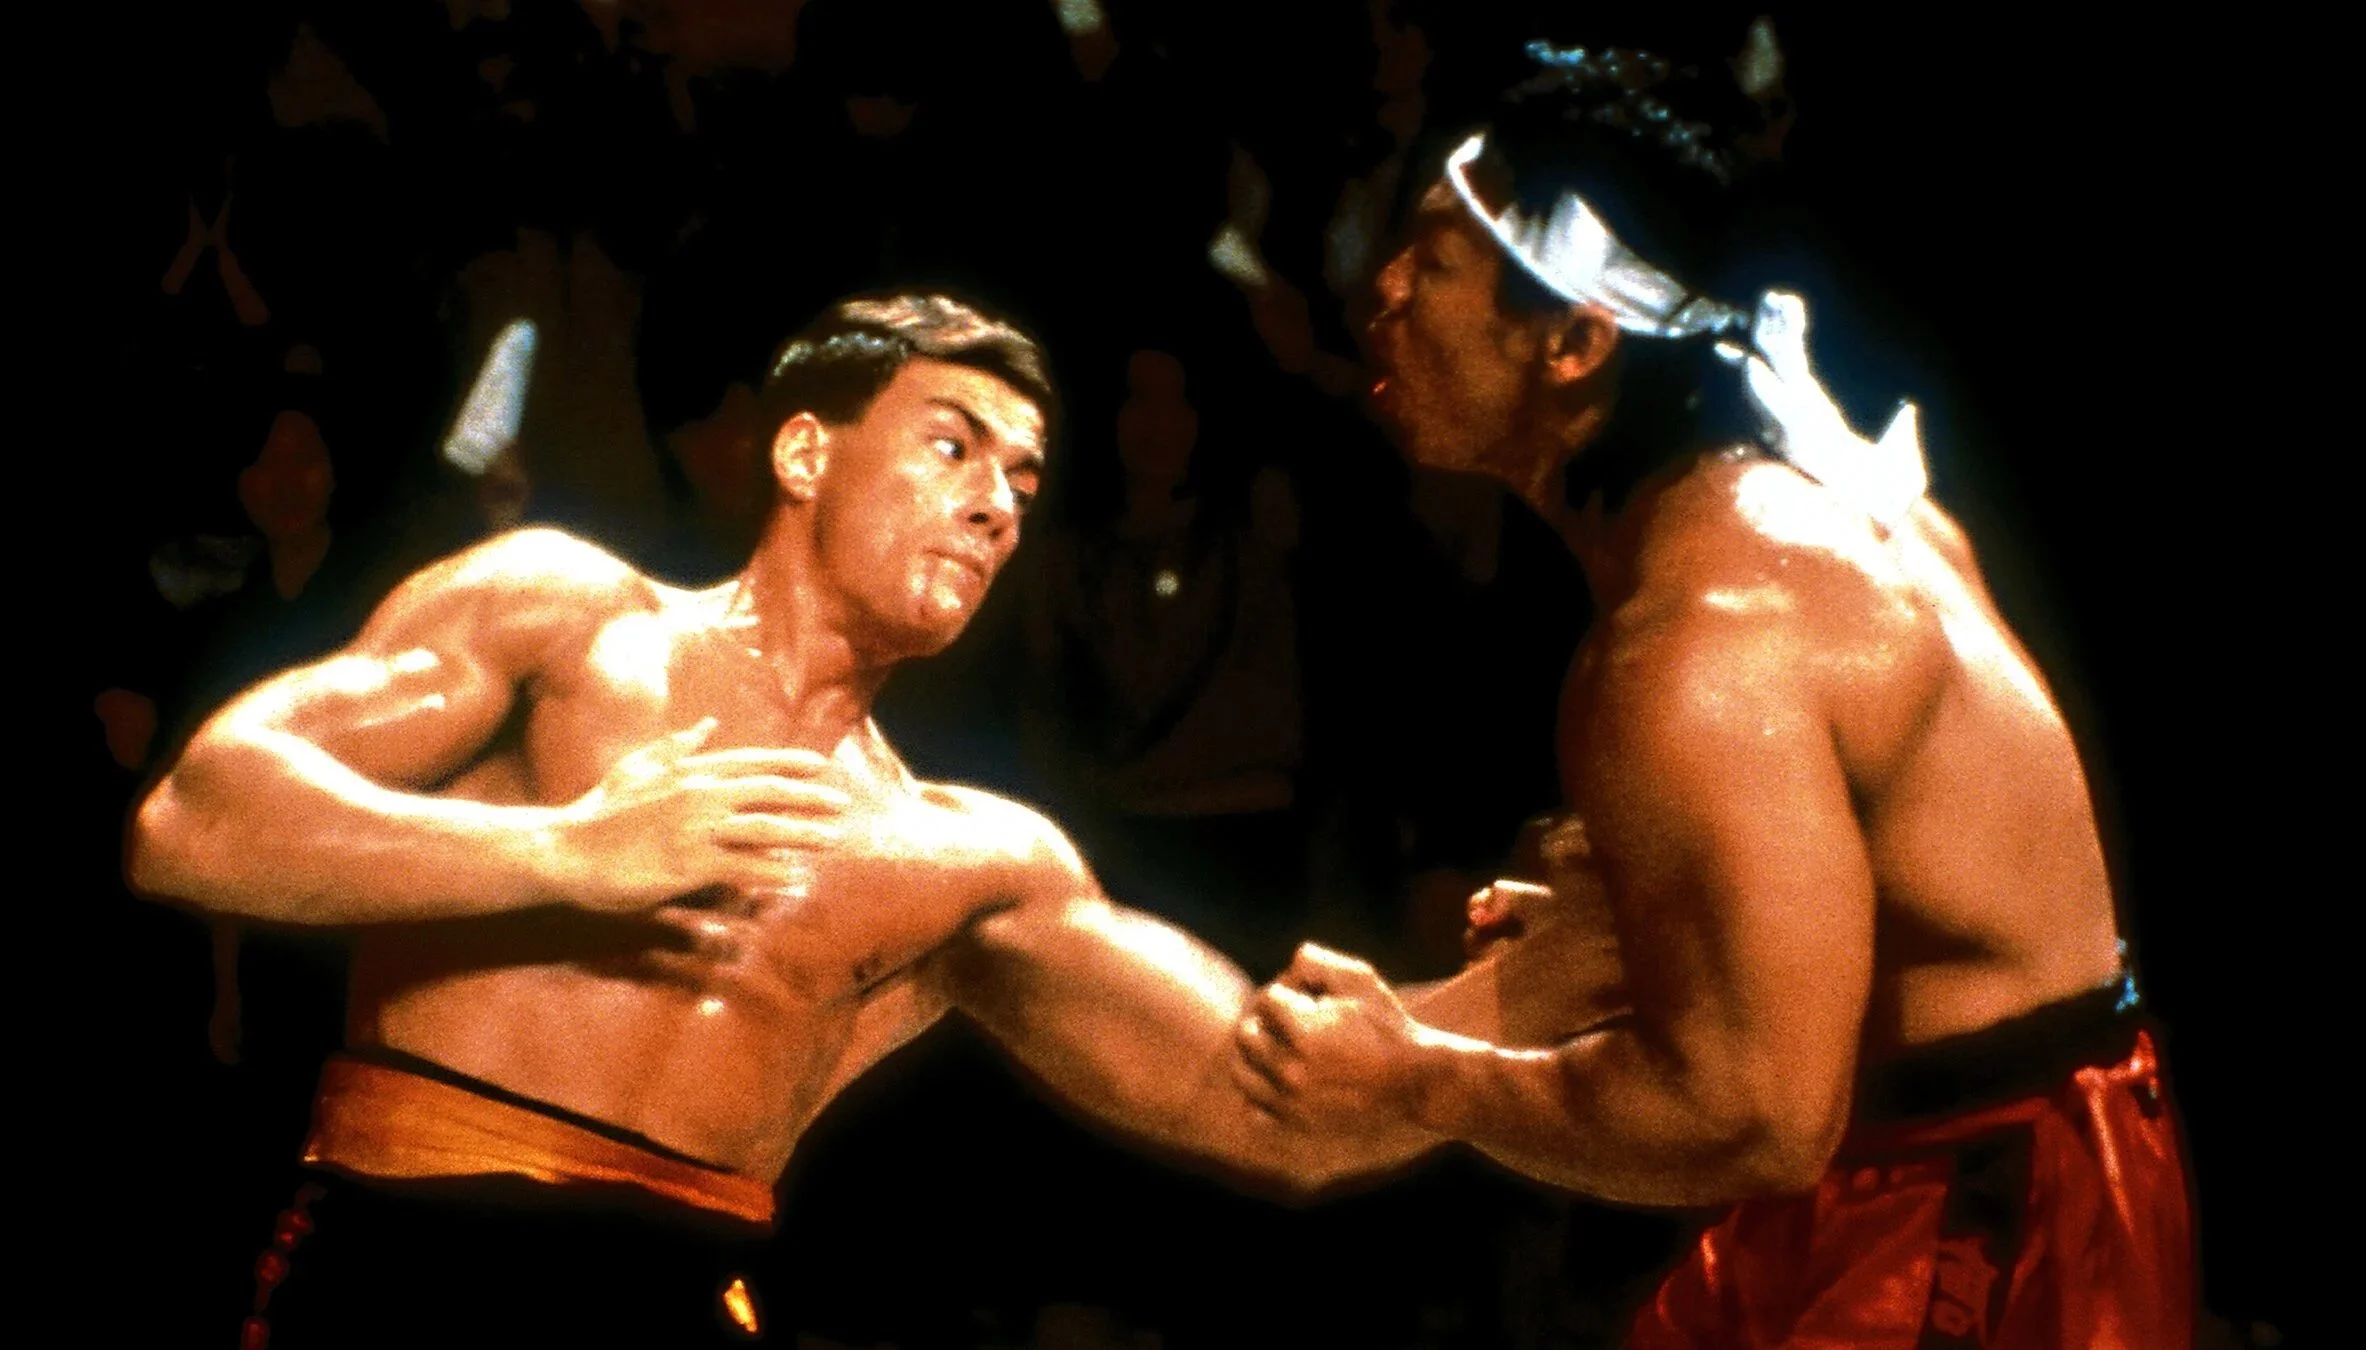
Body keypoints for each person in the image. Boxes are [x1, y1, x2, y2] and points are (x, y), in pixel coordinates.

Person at [128, 291, 1414, 1349]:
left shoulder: (970, 858)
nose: (997, 505)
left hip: (680, 1298)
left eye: (1023, 481)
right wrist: (567, 851)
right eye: (953, 448)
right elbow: (192, 821)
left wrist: (1514, 1014)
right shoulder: (565, 615)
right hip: (406, 1270)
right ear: (805, 455)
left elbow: (1280, 1106)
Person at [1230, 42, 2193, 1349]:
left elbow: (1756, 1118)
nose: (1384, 290)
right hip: (1942, 1155)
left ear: (1574, 342)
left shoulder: (1697, 645)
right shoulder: (1795, 508)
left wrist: (1425, 1082)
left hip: (1977, 1207)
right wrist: (1662, 919)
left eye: (1437, 263)